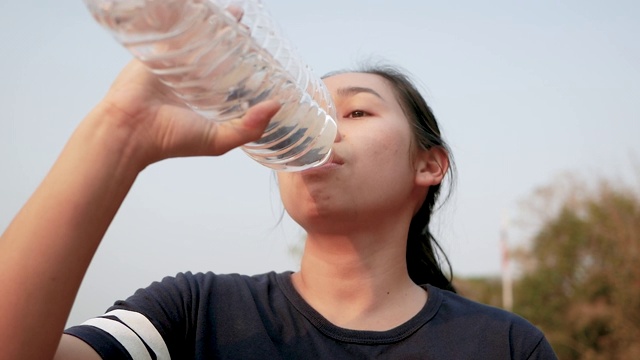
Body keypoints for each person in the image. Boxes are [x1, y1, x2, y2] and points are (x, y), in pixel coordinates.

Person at [0, 58, 557, 359]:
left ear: (428, 165)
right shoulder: (195, 315)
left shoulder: (504, 345)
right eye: (302, 114)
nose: (316, 130)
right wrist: (119, 132)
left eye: (356, 113)